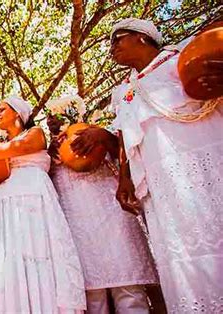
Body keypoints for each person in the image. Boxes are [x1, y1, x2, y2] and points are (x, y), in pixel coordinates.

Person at [109, 18, 223, 312]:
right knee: (179, 257)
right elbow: (124, 136)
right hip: (162, 186)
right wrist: (125, 179)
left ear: (143, 37)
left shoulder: (183, 57)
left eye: (118, 38)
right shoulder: (122, 92)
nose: (113, 47)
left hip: (206, 165)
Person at [0, 96, 86, 313]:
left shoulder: (35, 133)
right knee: (6, 263)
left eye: (2, 109)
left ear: (18, 113)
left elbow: (23, 146)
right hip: (0, 204)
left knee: (36, 254)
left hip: (31, 198)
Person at [46, 101, 159, 314]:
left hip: (113, 216)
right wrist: (51, 155)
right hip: (77, 224)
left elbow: (127, 154)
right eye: (49, 120)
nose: (52, 122)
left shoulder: (96, 135)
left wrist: (103, 136)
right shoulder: (50, 152)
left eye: (56, 117)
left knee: (129, 290)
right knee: (92, 297)